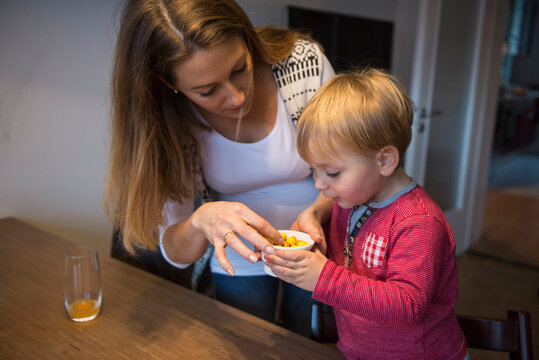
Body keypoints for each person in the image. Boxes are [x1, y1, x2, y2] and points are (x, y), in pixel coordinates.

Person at [104, 0, 335, 336]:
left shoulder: (302, 64)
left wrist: (318, 210)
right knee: (244, 342)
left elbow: (353, 167)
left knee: (313, 345)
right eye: (208, 91)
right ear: (169, 84)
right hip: (238, 259)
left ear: (245, 37)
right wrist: (201, 220)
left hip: (321, 245)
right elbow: (177, 253)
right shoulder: (168, 121)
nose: (237, 98)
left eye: (240, 68)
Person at [264, 69, 468, 359]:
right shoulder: (353, 198)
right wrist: (315, 225)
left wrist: (324, 278)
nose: (319, 184)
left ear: (384, 160)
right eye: (314, 170)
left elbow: (407, 306)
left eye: (332, 172)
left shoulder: (418, 223)